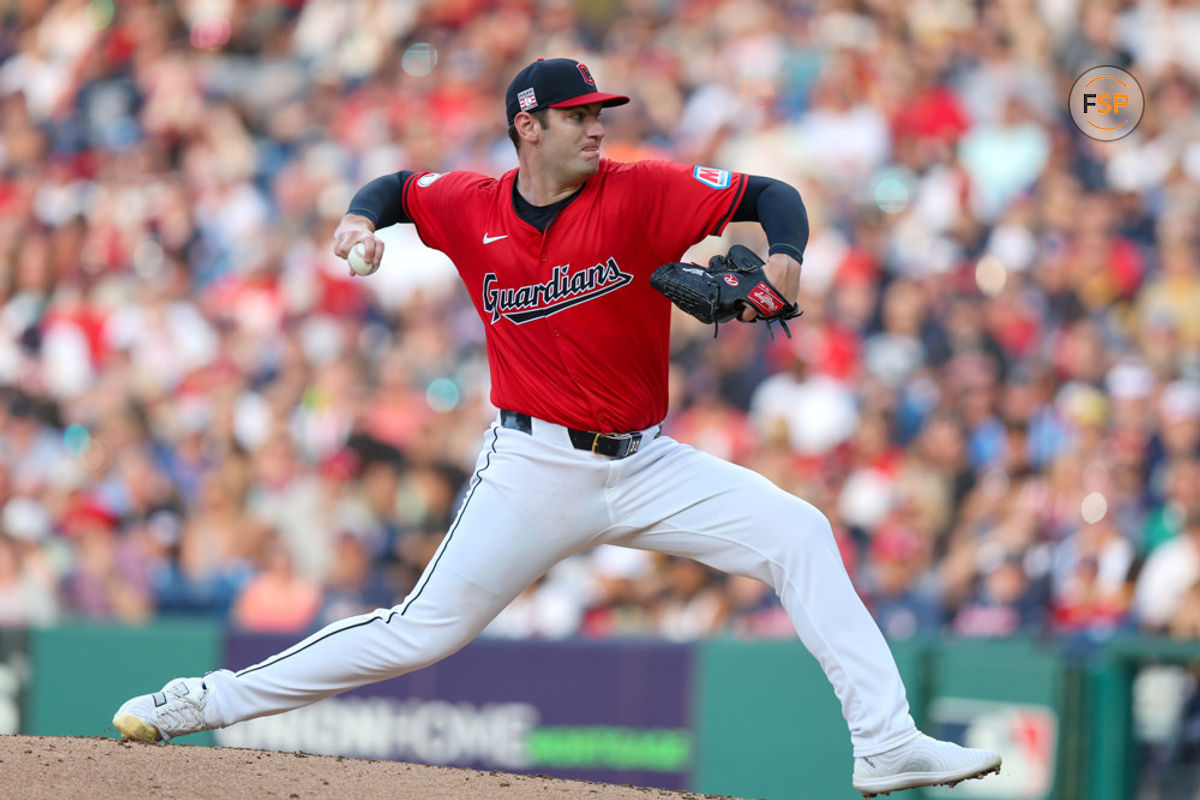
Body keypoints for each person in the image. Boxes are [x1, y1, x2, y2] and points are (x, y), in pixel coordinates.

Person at [113, 57, 1001, 797]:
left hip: (649, 463)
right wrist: (355, 224)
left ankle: (885, 742)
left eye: (599, 113)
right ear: (527, 125)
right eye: (577, 115)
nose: (596, 127)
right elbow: (396, 188)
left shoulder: (642, 190)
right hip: (533, 468)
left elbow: (774, 193)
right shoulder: (471, 204)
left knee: (799, 532)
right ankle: (207, 700)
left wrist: (783, 270)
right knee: (420, 632)